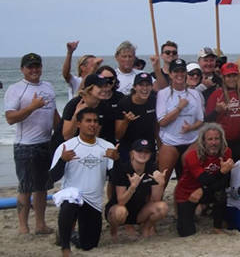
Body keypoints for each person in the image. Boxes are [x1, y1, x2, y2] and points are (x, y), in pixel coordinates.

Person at [50, 108, 116, 256]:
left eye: (95, 121)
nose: (92, 124)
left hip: (93, 201)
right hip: (73, 196)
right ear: (79, 124)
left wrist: (116, 161)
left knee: (89, 245)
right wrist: (62, 160)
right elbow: (52, 178)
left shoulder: (107, 147)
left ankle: (70, 235)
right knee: (70, 201)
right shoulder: (66, 146)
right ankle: (65, 247)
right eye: (88, 121)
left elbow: (116, 178)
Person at [5, 52, 58, 235]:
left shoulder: (49, 87)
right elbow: (10, 118)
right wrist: (31, 107)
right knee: (26, 187)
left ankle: (40, 224)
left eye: (37, 66)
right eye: (30, 67)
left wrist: (62, 134)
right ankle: (23, 226)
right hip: (25, 145)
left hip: (46, 143)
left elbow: (54, 115)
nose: (34, 70)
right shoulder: (16, 89)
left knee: (42, 187)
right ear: (23, 69)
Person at [174, 124, 232, 236]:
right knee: (186, 232)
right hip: (187, 192)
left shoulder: (226, 152)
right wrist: (221, 172)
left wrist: (203, 190)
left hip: (206, 190)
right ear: (203, 141)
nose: (214, 143)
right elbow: (204, 179)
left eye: (217, 139)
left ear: (221, 139)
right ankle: (194, 212)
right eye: (210, 139)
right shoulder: (192, 155)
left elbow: (225, 182)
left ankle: (217, 226)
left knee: (221, 194)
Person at [105, 139, 169, 240]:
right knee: (120, 211)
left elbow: (155, 200)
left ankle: (146, 228)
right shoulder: (122, 169)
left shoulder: (152, 169)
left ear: (150, 154)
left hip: (140, 212)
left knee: (162, 207)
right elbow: (121, 201)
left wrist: (161, 184)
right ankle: (114, 231)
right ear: (132, 153)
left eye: (146, 152)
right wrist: (132, 187)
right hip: (118, 210)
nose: (143, 154)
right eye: (139, 151)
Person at [156, 59, 205, 177]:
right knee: (162, 180)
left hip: (191, 142)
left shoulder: (195, 94)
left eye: (182, 71)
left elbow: (200, 120)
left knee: (188, 180)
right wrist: (179, 108)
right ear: (170, 73)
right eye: (176, 71)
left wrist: (191, 127)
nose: (180, 74)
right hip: (170, 142)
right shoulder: (163, 94)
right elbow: (162, 122)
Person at [206, 63, 240, 159]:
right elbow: (206, 121)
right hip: (222, 143)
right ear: (223, 78)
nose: (232, 79)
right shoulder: (216, 95)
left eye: (234, 76)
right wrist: (216, 111)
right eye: (228, 76)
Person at [115, 73, 157, 162]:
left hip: (148, 146)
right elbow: (118, 135)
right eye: (141, 85)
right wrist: (126, 121)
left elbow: (157, 127)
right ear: (134, 87)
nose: (144, 89)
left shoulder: (154, 101)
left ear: (152, 86)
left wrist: (160, 149)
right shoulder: (124, 103)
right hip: (128, 146)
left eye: (147, 85)